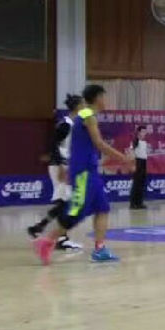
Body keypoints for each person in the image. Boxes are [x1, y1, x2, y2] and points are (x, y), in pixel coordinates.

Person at [32, 84, 130, 265]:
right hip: (84, 172)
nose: (106, 101)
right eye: (104, 97)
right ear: (98, 98)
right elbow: (99, 143)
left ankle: (100, 249)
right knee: (76, 212)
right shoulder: (87, 116)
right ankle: (46, 241)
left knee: (102, 208)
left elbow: (79, 145)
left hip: (88, 170)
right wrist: (123, 158)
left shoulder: (84, 115)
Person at [26, 94, 84, 250]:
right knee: (66, 202)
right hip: (60, 166)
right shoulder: (66, 124)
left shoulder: (74, 124)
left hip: (65, 165)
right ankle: (61, 239)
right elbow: (53, 144)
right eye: (83, 104)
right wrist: (60, 167)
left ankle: (39, 227)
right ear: (77, 107)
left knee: (64, 202)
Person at [129, 125, 149, 210]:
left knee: (141, 183)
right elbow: (131, 151)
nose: (144, 133)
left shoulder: (144, 142)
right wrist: (133, 164)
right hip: (138, 162)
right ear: (139, 132)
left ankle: (139, 203)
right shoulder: (135, 141)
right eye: (143, 131)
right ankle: (133, 203)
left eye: (145, 131)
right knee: (136, 184)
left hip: (143, 163)